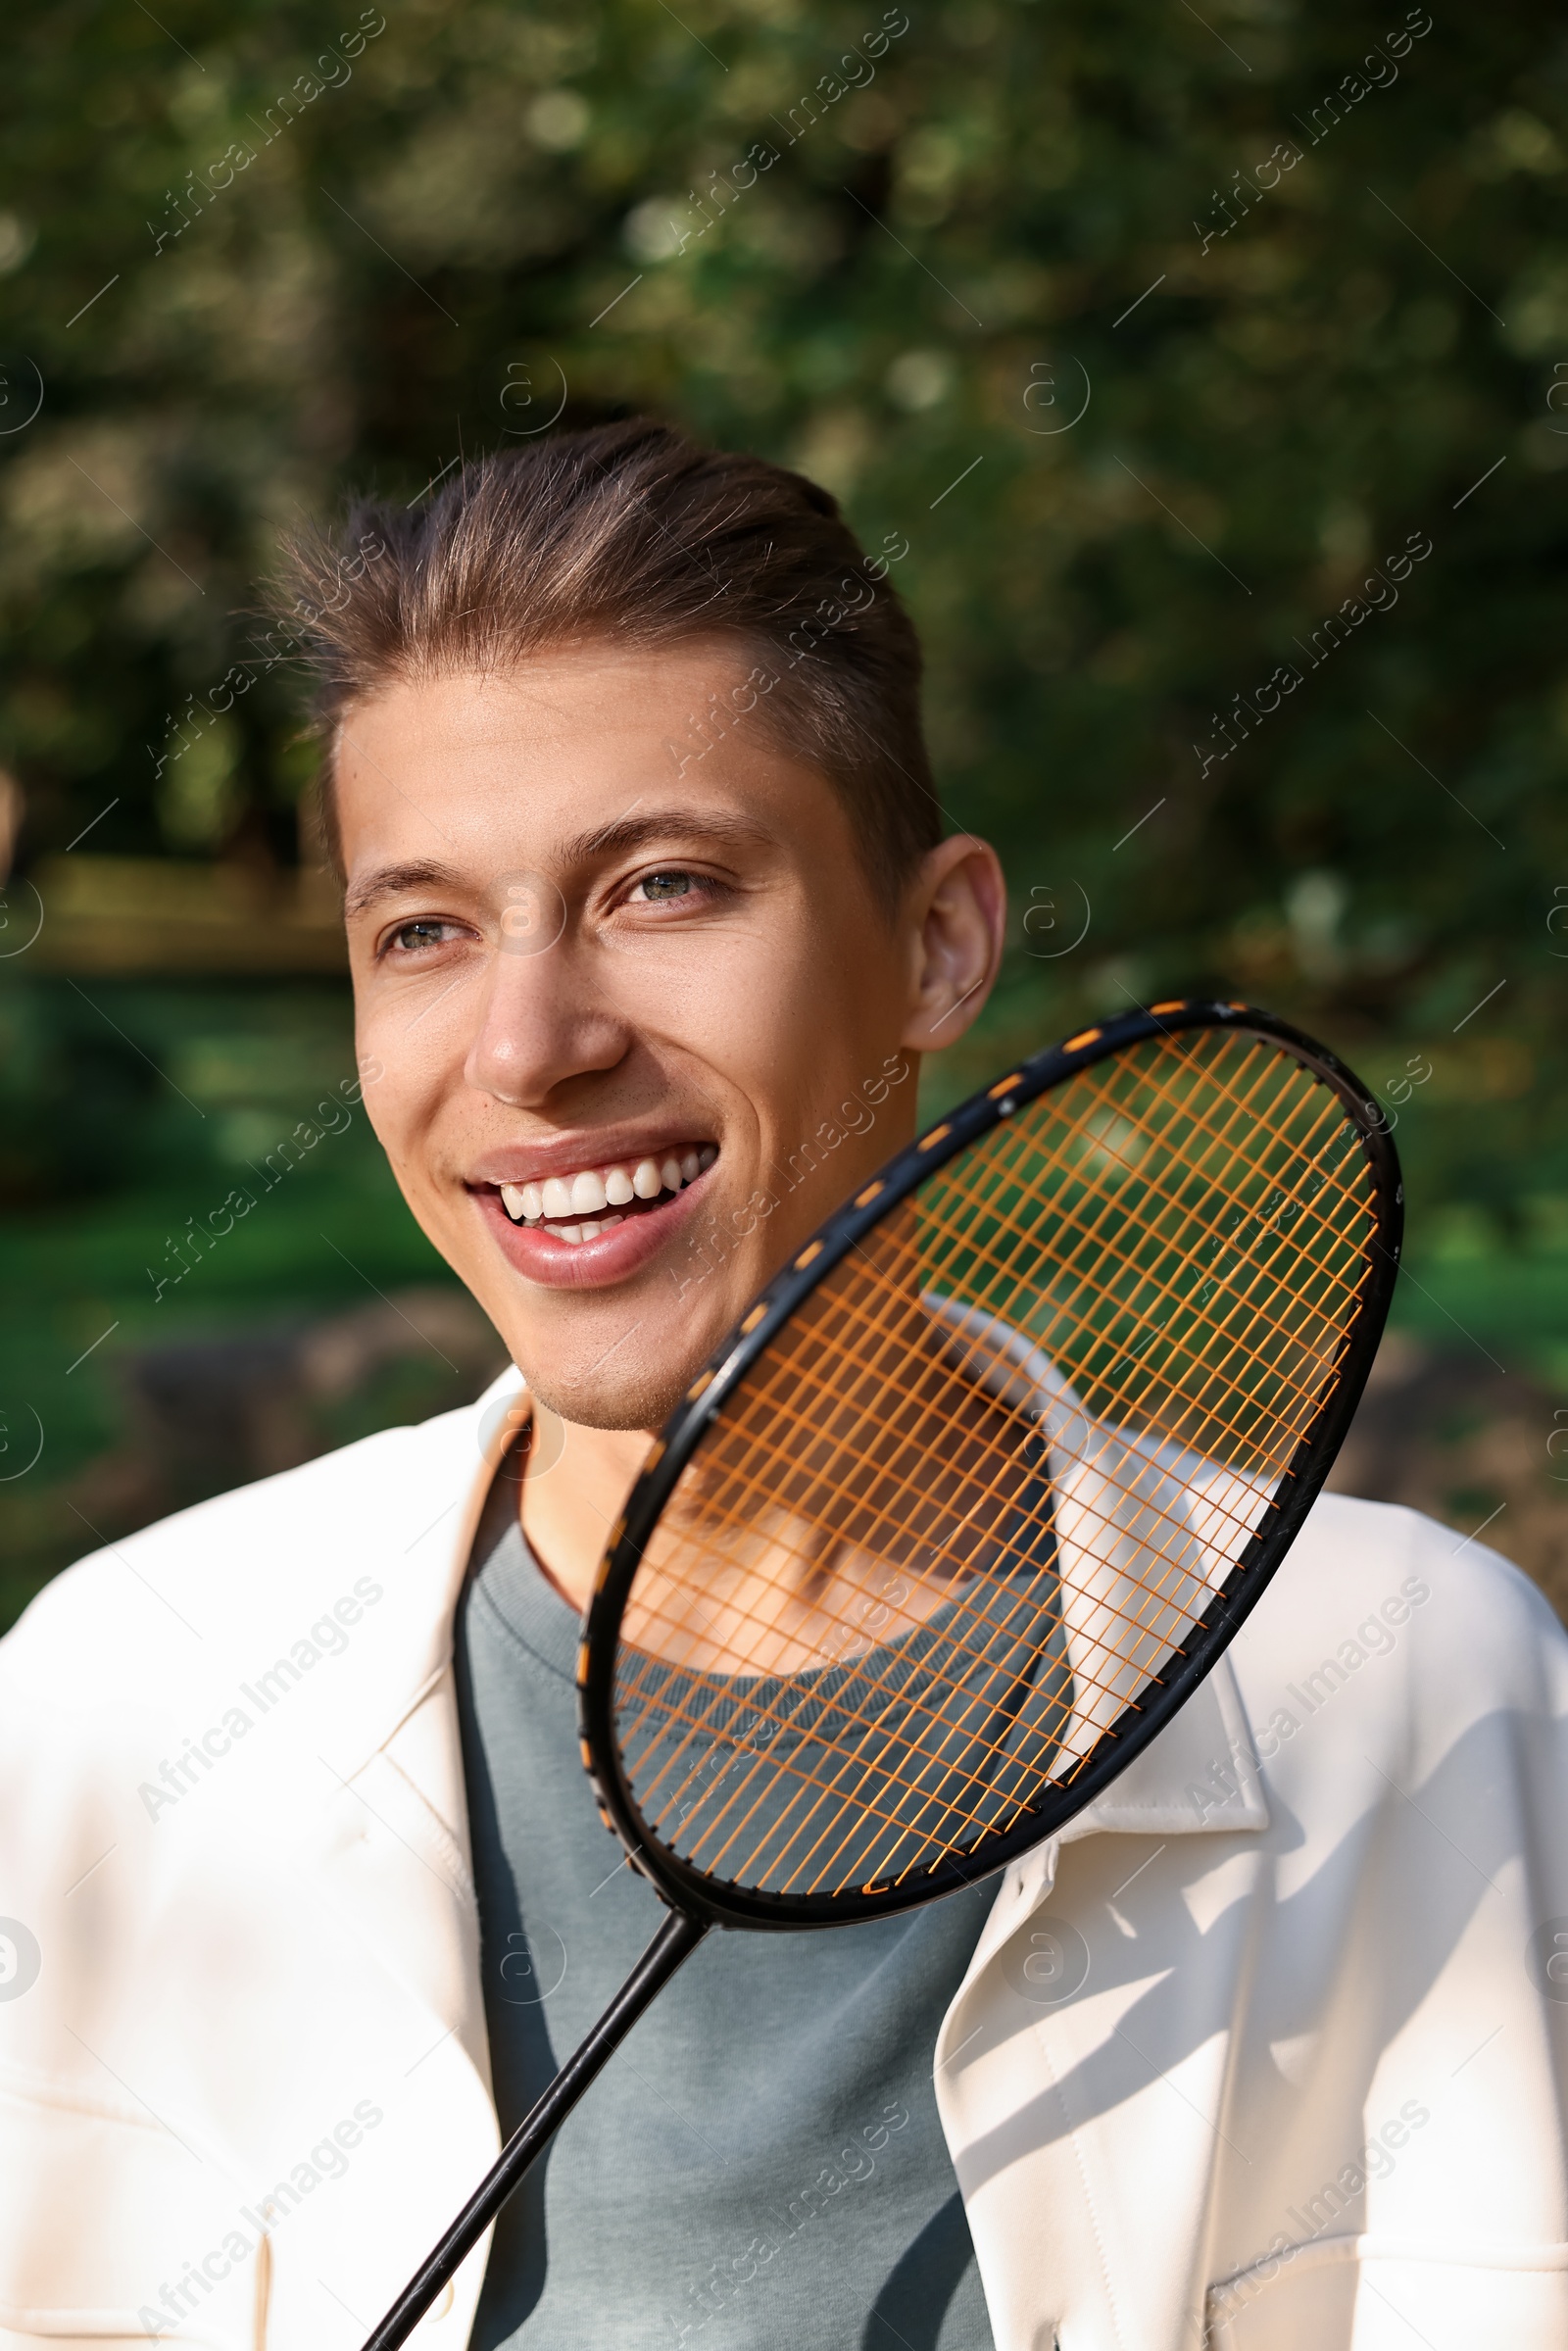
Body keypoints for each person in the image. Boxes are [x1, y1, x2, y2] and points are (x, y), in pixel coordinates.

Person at [1, 420, 1565, 2351]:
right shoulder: (121, 1702)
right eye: (420, 928)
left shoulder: (1409, 1693)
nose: (526, 1043)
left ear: (934, 943)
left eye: (660, 888)